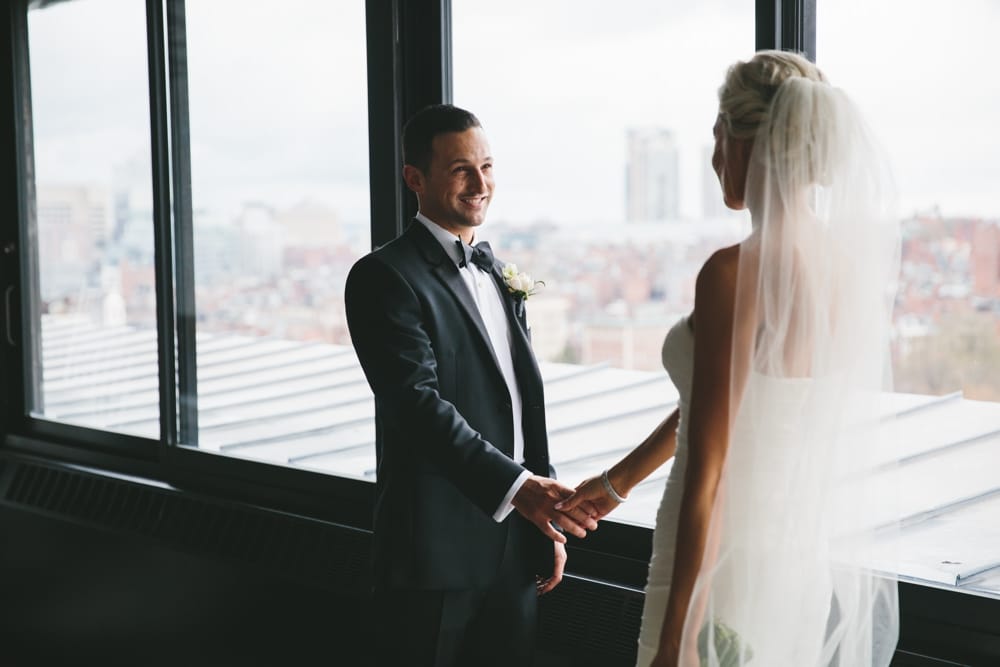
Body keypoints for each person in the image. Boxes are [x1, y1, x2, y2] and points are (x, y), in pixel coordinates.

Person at [559, 51, 901, 666]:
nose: (715, 158)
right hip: (794, 563)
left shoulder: (733, 274)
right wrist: (618, 482)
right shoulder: (847, 272)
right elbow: (734, 405)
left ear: (742, 139)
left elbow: (709, 479)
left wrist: (676, 640)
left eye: (717, 136)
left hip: (715, 562)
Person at [345, 104, 597, 667]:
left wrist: (545, 525)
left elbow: (520, 405)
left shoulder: (498, 271)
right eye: (461, 169)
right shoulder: (383, 277)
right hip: (434, 554)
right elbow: (416, 405)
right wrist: (520, 490)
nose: (480, 184)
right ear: (416, 178)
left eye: (487, 166)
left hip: (512, 551)